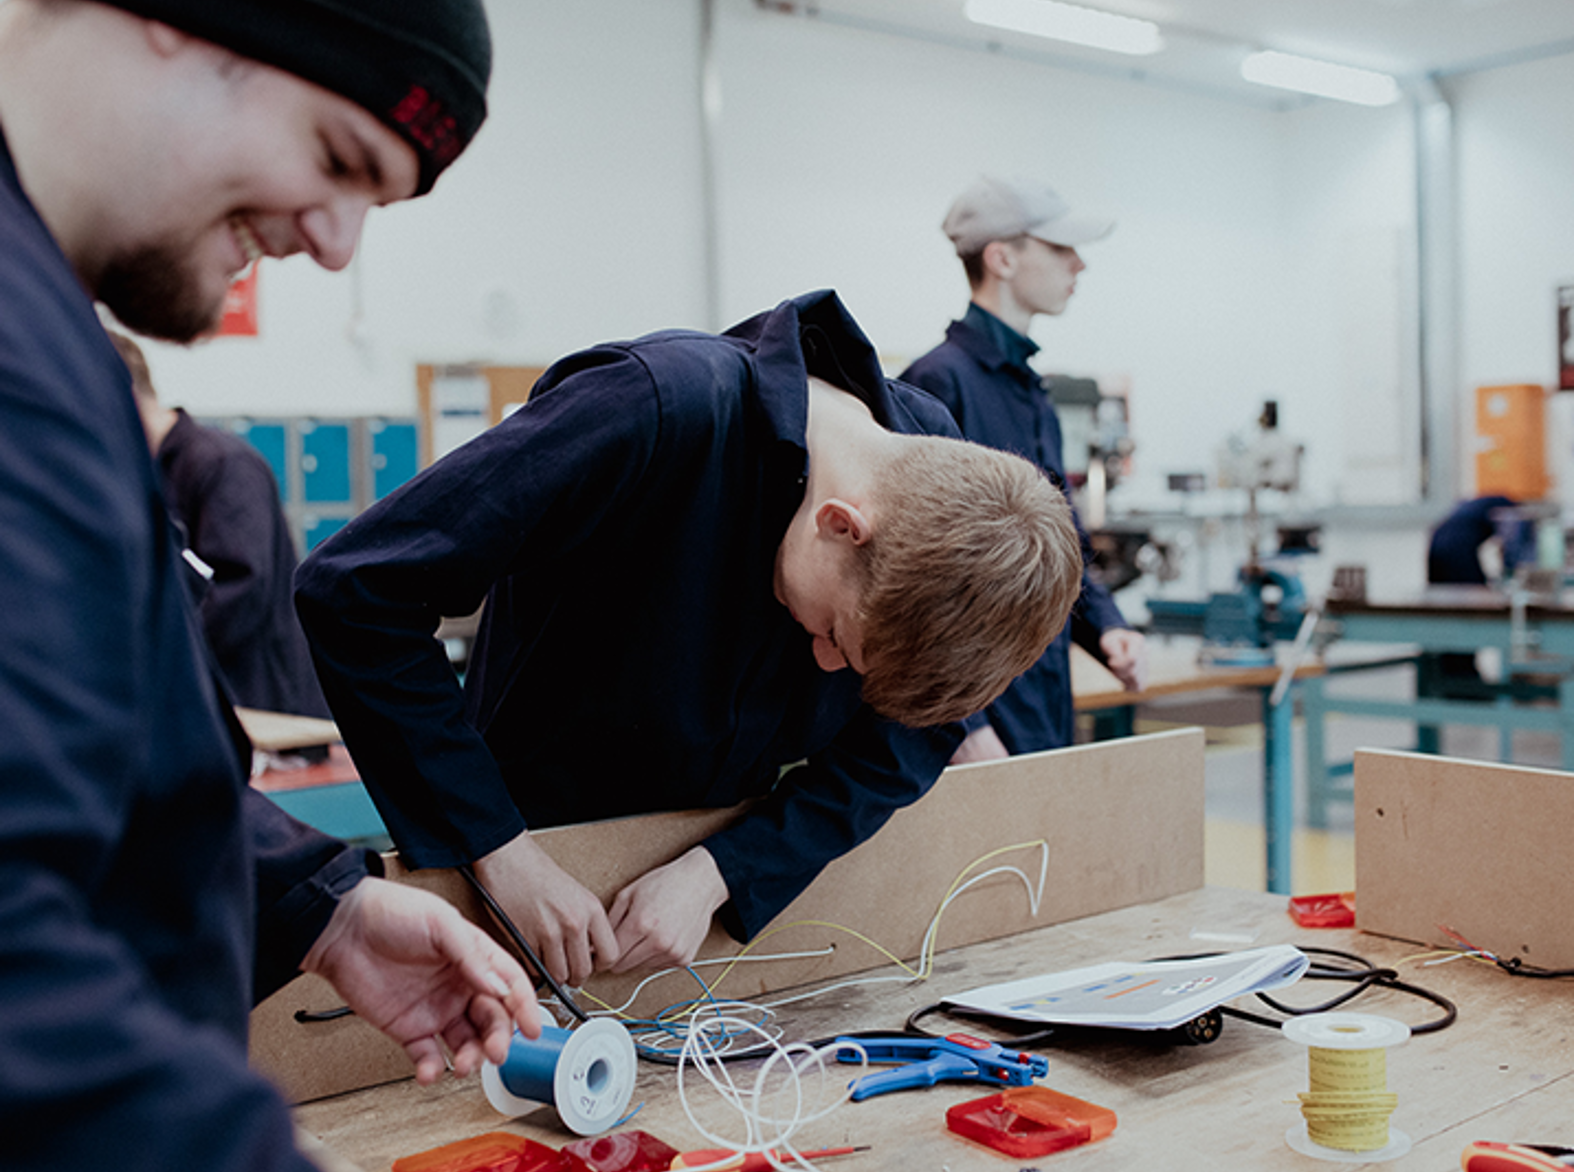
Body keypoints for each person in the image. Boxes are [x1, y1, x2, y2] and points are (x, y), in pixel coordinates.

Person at [0, 4, 541, 1172]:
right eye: (337, 157)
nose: (337, 248)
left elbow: (90, 759)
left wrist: (315, 903)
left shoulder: (52, 332)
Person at [296, 288, 1084, 988]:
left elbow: (912, 736)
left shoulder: (941, 483)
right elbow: (358, 590)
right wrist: (499, 848)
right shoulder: (650, 411)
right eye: (838, 636)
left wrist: (723, 870)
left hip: (702, 902)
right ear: (841, 526)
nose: (825, 662)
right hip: (518, 853)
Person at [901, 175, 1148, 763]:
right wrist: (964, 727)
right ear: (1002, 258)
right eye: (1060, 248)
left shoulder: (1032, 393)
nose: (1079, 264)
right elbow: (912, 578)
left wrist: (1107, 626)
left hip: (1042, 692)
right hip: (979, 709)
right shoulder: (938, 385)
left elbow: (1058, 540)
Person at [116, 330, 333, 736]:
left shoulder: (222, 465)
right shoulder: (151, 472)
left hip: (269, 710)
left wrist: (152, 657)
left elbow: (238, 591)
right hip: (217, 707)